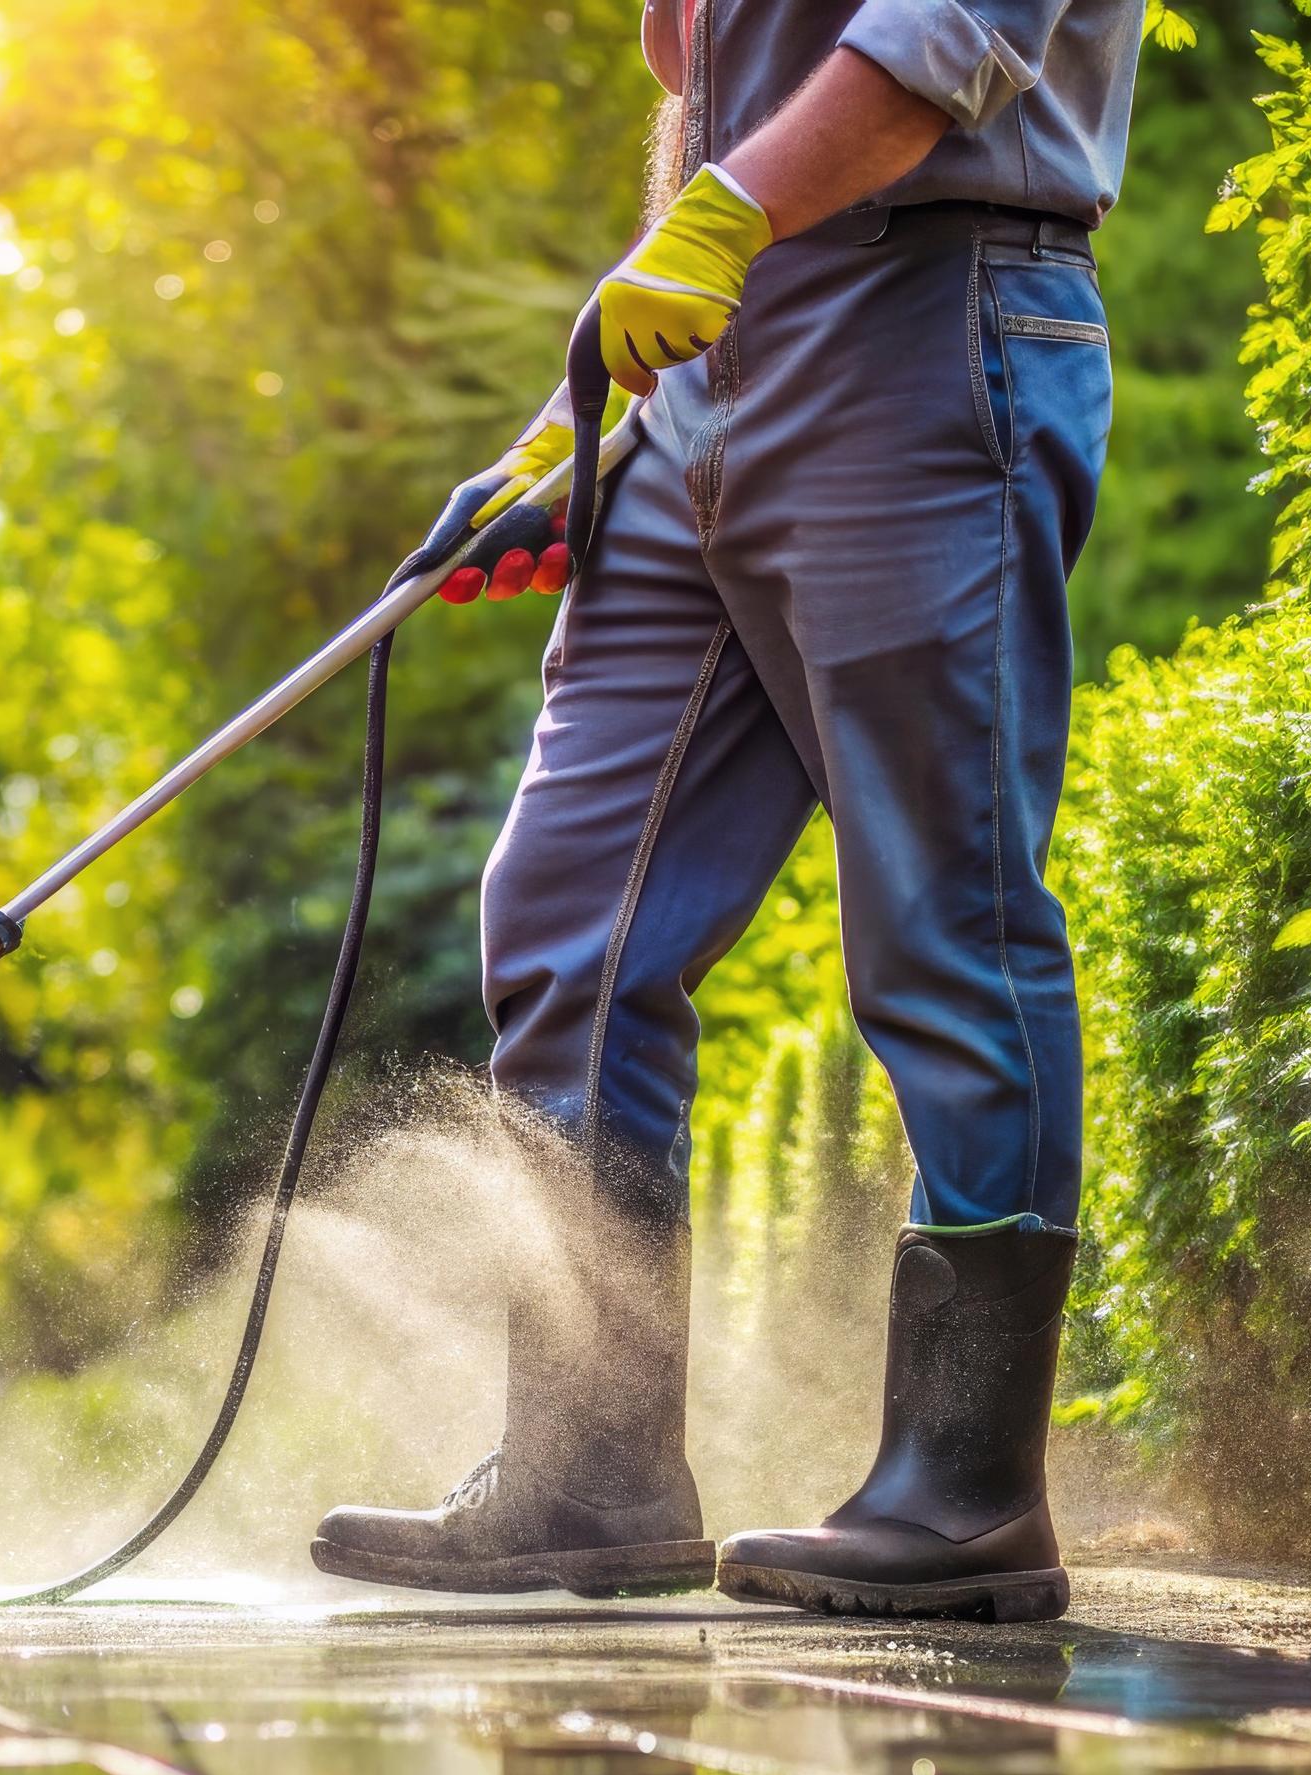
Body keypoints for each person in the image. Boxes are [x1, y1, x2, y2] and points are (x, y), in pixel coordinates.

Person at [309, 0, 1140, 1623]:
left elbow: (947, 27)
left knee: (942, 915)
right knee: (568, 917)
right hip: (708, 368)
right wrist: (582, 415)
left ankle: (967, 1488)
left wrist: (733, 215)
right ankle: (589, 1469)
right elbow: (699, 85)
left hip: (931, 310)